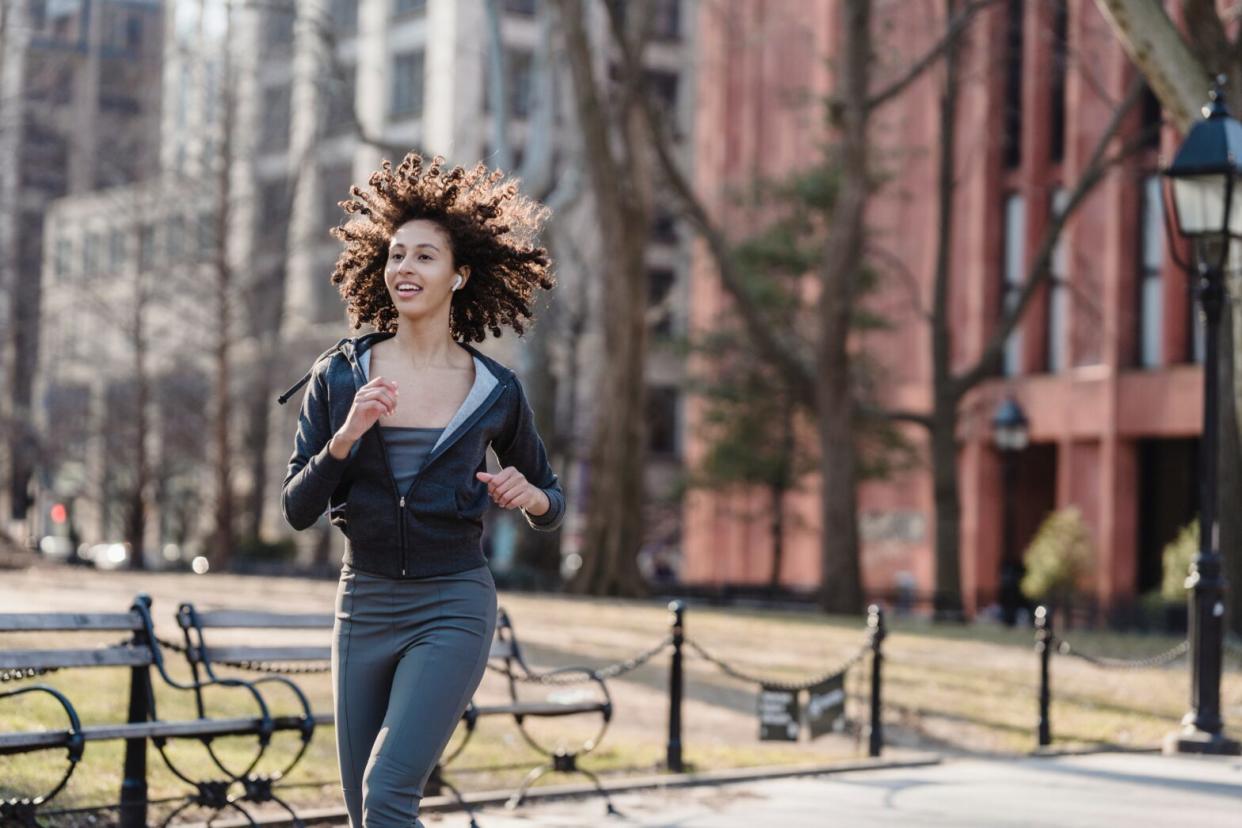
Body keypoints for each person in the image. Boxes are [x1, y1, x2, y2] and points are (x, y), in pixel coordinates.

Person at [277, 154, 565, 827]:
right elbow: (296, 509)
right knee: (363, 812)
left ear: (461, 274)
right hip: (364, 604)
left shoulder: (496, 390)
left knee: (388, 794)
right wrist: (345, 438)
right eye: (396, 254)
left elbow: (551, 499)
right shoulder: (340, 378)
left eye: (425, 257)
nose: (404, 267)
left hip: (453, 603)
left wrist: (534, 498)